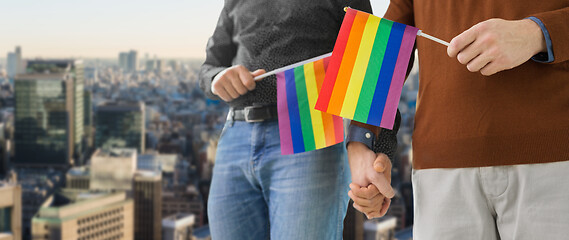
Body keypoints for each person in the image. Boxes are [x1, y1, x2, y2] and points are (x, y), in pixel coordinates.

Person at [347, 1, 569, 239]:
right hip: (440, 172)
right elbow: (388, 32)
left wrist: (535, 34)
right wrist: (361, 141)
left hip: (552, 160)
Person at [198, 1, 377, 239]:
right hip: (235, 136)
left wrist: (362, 144)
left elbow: (370, 58)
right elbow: (210, 66)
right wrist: (217, 78)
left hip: (308, 132)